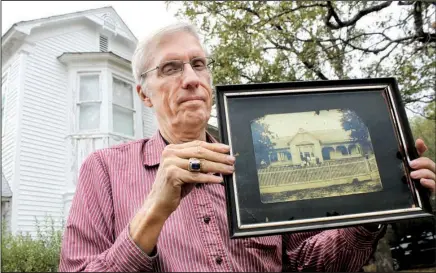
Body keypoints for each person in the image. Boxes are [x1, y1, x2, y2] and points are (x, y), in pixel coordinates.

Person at [59, 22, 436, 272]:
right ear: (143, 94)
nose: (191, 78)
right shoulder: (104, 169)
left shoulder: (257, 161)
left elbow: (309, 262)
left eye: (199, 63)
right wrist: (153, 213)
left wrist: (377, 205)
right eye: (171, 68)